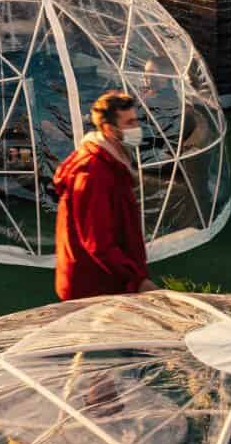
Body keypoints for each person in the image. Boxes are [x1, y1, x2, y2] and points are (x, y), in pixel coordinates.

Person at [53, 89, 157, 301]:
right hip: (93, 289)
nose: (136, 128)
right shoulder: (93, 173)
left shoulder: (113, 160)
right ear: (109, 129)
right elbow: (98, 242)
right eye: (129, 123)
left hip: (107, 282)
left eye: (136, 121)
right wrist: (138, 280)